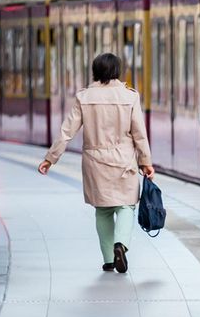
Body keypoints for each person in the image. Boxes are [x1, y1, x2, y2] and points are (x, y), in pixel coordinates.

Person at [38, 53, 155, 274]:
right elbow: (139, 134)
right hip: (124, 161)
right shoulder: (130, 96)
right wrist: (145, 162)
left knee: (102, 211)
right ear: (117, 71)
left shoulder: (84, 97)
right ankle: (121, 244)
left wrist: (50, 158)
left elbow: (67, 131)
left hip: (95, 162)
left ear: (95, 71)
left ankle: (109, 259)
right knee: (126, 206)